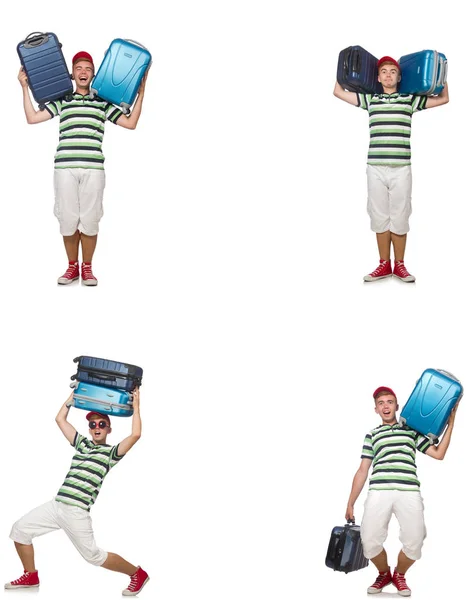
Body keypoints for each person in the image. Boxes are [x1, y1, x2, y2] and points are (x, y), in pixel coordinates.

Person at [18, 50, 149, 286]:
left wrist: (142, 92)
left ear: (94, 75)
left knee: (90, 220)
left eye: (88, 68)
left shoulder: (103, 103)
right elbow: (32, 118)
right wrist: (23, 87)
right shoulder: (62, 100)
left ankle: (87, 269)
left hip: (93, 169)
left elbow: (130, 124)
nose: (83, 72)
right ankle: (72, 268)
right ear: (71, 74)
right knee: (68, 220)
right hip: (64, 168)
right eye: (79, 68)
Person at [4, 388, 149, 596]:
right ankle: (31, 575)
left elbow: (136, 434)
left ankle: (138, 574)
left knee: (94, 557)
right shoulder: (82, 445)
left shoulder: (110, 454)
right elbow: (60, 419)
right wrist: (73, 398)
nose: (96, 427)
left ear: (109, 429)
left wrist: (136, 406)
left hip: (77, 512)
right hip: (56, 505)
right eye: (92, 424)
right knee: (19, 530)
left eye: (101, 424)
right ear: (89, 429)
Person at [334, 56, 449, 283]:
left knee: (400, 215)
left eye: (393, 71)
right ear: (377, 78)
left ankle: (400, 265)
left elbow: (444, 98)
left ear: (399, 77)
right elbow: (338, 92)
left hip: (401, 168)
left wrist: (441, 74)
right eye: (384, 71)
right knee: (379, 216)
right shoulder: (370, 99)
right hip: (375, 167)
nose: (388, 75)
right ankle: (384, 265)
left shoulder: (410, 100)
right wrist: (342, 66)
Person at [345, 386, 458, 596]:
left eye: (389, 402)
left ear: (398, 406)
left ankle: (399, 575)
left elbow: (439, 453)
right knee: (369, 541)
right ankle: (384, 573)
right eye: (381, 403)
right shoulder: (372, 435)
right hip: (378, 490)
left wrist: (451, 424)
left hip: (408, 492)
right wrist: (350, 502)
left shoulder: (412, 431)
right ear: (376, 409)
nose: (385, 406)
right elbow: (362, 470)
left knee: (415, 540)